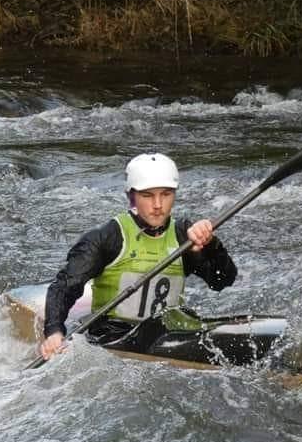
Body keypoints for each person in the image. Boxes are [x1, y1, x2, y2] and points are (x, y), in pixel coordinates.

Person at [40, 153, 237, 360]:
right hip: (114, 336)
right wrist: (54, 331)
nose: (158, 205)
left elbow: (222, 280)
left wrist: (211, 245)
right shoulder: (108, 238)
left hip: (170, 334)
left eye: (166, 194)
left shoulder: (184, 236)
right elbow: (64, 286)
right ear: (132, 196)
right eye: (148, 195)